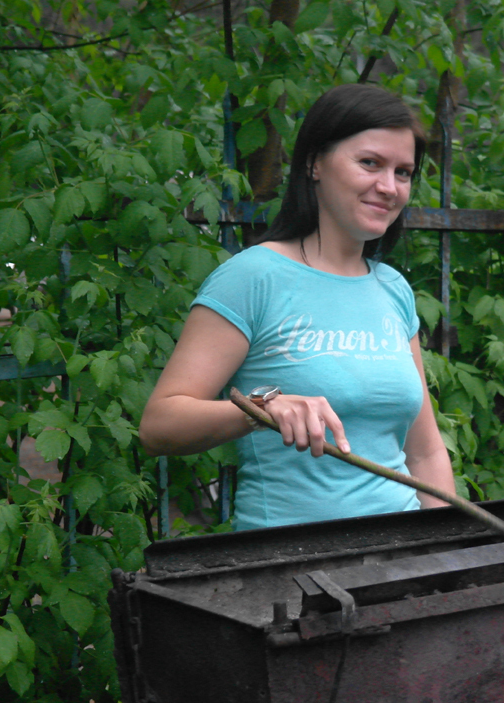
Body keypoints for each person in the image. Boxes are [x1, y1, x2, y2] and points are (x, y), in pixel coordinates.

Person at [139, 84, 455, 530]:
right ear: (314, 164)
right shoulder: (252, 278)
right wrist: (260, 409)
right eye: (370, 163)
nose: (388, 187)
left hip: (399, 560)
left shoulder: (393, 289)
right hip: (288, 569)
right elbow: (158, 425)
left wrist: (447, 551)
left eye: (403, 172)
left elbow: (424, 451)